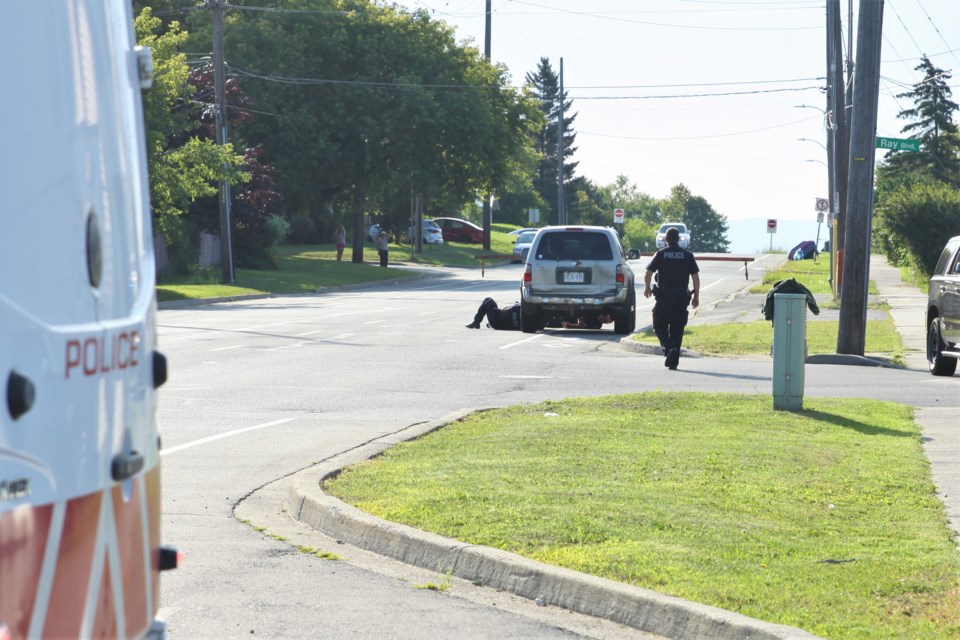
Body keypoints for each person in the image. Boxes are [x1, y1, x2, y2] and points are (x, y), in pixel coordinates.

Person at [643, 226, 700, 370]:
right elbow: (695, 277)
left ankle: (669, 349)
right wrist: (696, 296)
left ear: (666, 239)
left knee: (659, 325)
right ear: (679, 239)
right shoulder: (687, 255)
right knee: (677, 327)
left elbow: (649, 273)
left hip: (664, 296)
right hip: (681, 297)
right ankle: (673, 360)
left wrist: (647, 288)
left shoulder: (661, 254)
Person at [465, 298, 612, 331]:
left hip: (507, 318)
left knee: (488, 301)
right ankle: (478, 322)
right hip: (517, 319)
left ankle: (476, 322)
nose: (606, 321)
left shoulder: (497, 317)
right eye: (607, 319)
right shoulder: (499, 318)